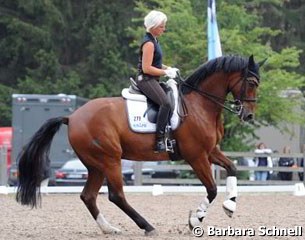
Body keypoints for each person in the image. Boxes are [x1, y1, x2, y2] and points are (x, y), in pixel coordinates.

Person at [136, 10, 179, 152]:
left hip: (153, 78)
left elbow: (156, 63)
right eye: (161, 26)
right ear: (153, 26)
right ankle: (159, 140)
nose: (164, 29)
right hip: (146, 79)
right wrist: (166, 73)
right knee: (165, 103)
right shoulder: (149, 43)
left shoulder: (155, 40)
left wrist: (169, 68)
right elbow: (147, 68)